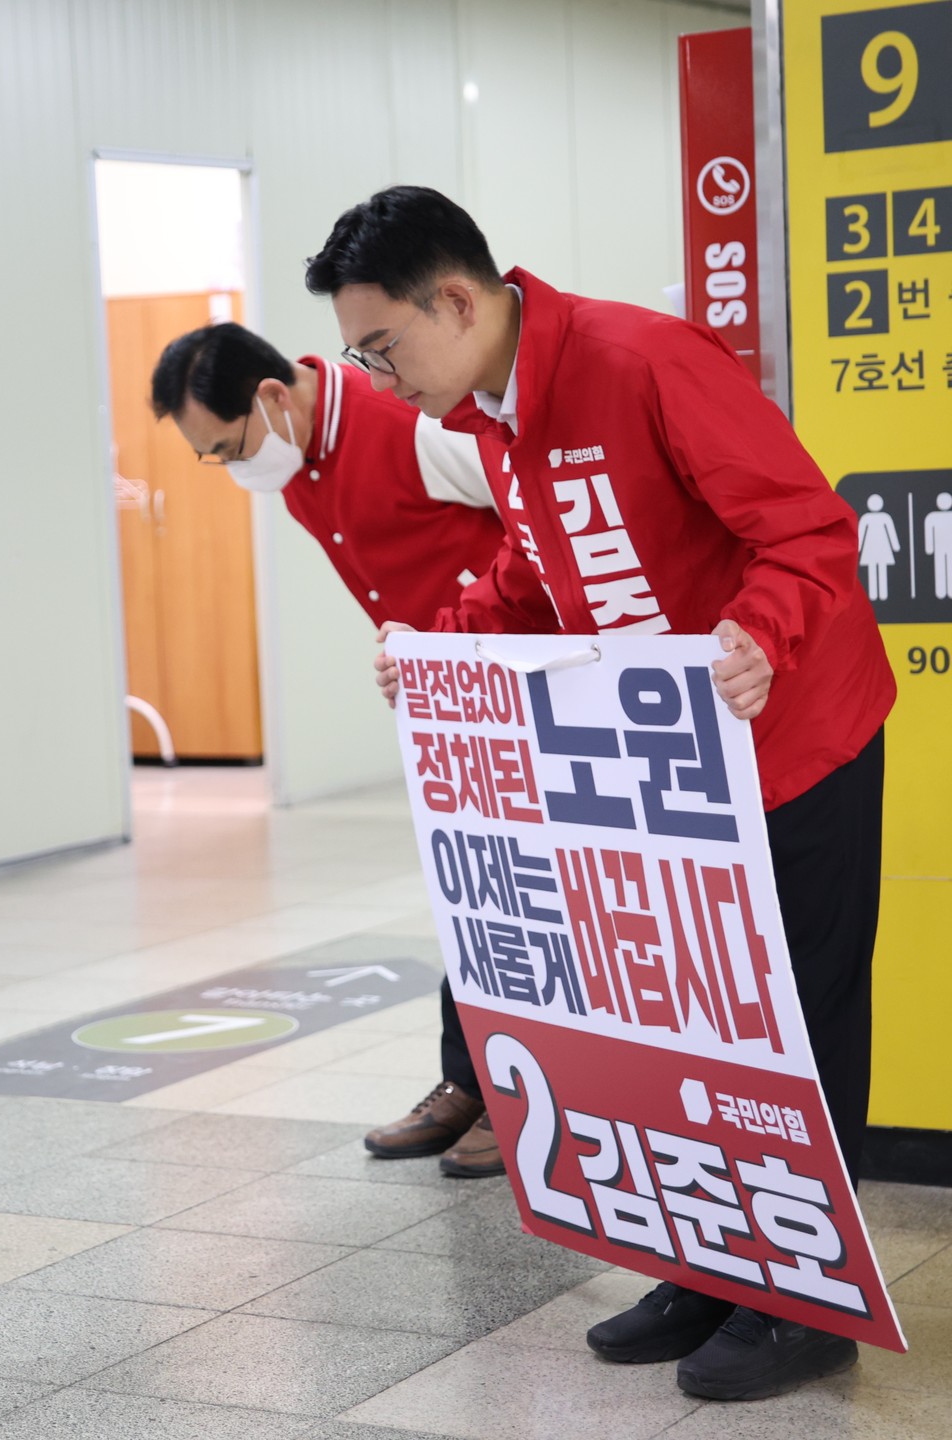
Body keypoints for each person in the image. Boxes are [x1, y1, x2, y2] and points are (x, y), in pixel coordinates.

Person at [304, 185, 895, 1404]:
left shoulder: (641, 360)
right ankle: (711, 1268)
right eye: (361, 360)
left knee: (799, 1021)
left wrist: (759, 633)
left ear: (454, 301)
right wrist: (439, 649)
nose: (379, 382)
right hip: (675, 778)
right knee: (695, 1028)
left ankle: (805, 1304)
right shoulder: (495, 418)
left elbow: (810, 532)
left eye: (383, 349)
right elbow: (534, 577)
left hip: (795, 738)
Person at [151, 320, 547, 1179]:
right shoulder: (295, 457)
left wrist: (461, 629)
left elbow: (539, 519)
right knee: (474, 893)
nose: (232, 468)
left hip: (530, 685)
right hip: (452, 705)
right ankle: (471, 1083)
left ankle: (531, 1096)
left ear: (271, 396)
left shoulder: (411, 421)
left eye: (227, 448)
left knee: (537, 900)